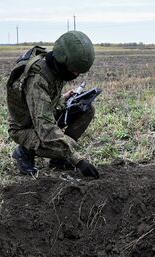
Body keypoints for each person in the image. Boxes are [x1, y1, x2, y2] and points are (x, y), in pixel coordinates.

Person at [6, 31, 99, 179]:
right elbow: (46, 128)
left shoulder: (55, 67)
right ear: (63, 61)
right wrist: (77, 160)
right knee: (68, 145)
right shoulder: (38, 78)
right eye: (73, 71)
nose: (75, 75)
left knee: (86, 109)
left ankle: (58, 158)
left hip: (42, 117)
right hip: (25, 128)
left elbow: (46, 103)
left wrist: (63, 99)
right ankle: (23, 152)